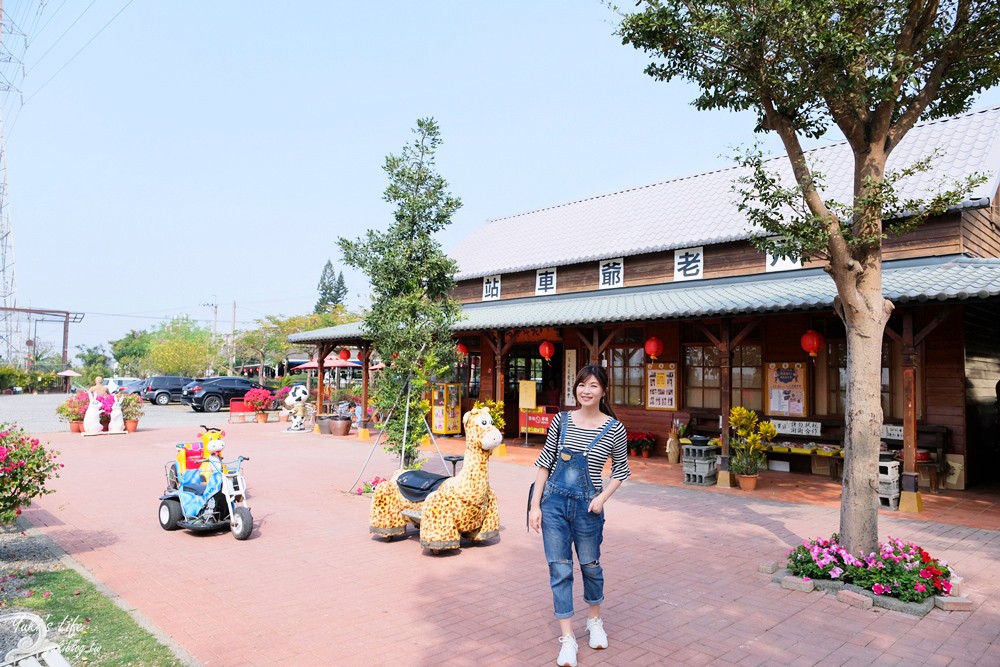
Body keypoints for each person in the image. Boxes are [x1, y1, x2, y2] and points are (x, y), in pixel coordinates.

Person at [528, 364, 630, 667]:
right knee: (559, 570)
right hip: (554, 506)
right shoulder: (561, 421)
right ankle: (568, 638)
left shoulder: (614, 428)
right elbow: (544, 464)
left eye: (593, 386)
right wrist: (535, 506)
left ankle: (594, 621)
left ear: (604, 391)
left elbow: (621, 472)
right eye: (582, 385)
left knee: (591, 566)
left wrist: (601, 498)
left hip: (588, 508)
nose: (586, 391)